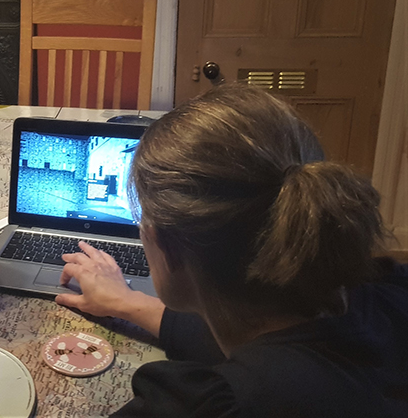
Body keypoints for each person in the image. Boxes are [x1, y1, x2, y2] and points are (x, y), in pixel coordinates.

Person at [55, 84, 408, 417]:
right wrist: (128, 303)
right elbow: (274, 354)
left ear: (167, 247)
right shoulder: (387, 295)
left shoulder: (215, 405)